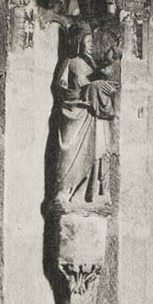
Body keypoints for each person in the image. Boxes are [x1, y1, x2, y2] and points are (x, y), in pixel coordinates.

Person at [53, 27, 119, 204]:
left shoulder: (93, 67)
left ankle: (86, 193)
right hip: (74, 113)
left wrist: (99, 90)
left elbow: (104, 88)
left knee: (92, 153)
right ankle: (64, 191)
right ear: (78, 43)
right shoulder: (70, 62)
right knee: (68, 154)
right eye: (87, 42)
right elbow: (61, 91)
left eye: (91, 42)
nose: (90, 45)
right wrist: (83, 94)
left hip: (91, 117)